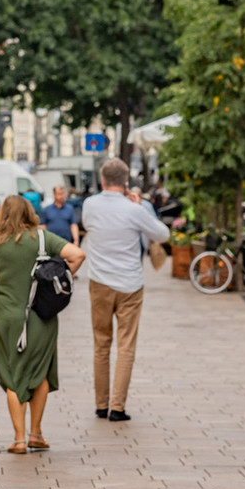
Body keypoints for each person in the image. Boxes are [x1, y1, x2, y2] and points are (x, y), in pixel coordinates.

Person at [0, 195, 84, 453]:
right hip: (40, 316)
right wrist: (58, 275)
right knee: (39, 373)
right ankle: (36, 434)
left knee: (12, 375)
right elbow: (78, 254)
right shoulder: (42, 239)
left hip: (7, 319)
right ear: (29, 213)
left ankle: (18, 439)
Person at [78, 158, 169, 423]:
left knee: (101, 344)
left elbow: (88, 225)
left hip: (99, 283)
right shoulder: (134, 209)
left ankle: (100, 404)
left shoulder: (89, 205)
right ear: (126, 181)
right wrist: (139, 206)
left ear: (103, 180)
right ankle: (117, 407)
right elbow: (162, 234)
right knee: (126, 346)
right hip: (130, 284)